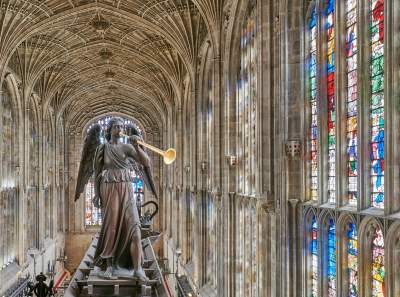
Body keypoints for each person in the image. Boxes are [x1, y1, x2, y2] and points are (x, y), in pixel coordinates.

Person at [92, 117, 150, 281]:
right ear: (109, 130)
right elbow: (97, 173)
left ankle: (138, 268)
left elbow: (147, 163)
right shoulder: (103, 148)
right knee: (111, 228)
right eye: (116, 126)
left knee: (136, 230)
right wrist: (96, 194)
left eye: (121, 126)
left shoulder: (128, 147)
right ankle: (109, 266)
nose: (119, 129)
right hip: (109, 188)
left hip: (127, 189)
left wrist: (138, 147)